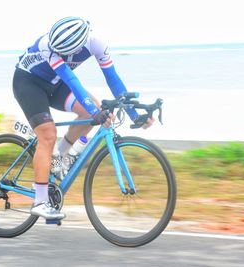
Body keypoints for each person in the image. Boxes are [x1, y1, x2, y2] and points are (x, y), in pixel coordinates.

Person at [12, 16, 154, 220]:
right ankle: (40, 202)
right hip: (29, 83)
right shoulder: (47, 45)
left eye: (63, 52)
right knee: (48, 135)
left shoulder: (96, 42)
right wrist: (97, 113)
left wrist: (134, 115)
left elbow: (112, 78)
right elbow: (72, 80)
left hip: (55, 82)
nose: (58, 53)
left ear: (77, 48)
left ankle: (57, 159)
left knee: (90, 110)